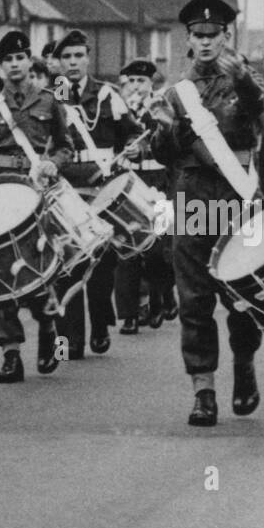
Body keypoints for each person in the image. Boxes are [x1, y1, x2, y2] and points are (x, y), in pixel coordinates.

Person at [148, 0, 264, 428]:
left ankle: (243, 365)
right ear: (188, 38)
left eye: (213, 35)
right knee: (194, 298)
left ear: (227, 36)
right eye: (198, 36)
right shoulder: (175, 90)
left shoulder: (245, 80)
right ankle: (203, 389)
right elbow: (162, 153)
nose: (205, 43)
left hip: (235, 195)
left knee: (242, 291)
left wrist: (241, 76)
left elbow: (261, 111)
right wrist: (169, 134)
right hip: (191, 195)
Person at [0, 29, 70, 384]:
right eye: (7, 60)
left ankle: (47, 328)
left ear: (29, 61)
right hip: (0, 191)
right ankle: (10, 353)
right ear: (1, 65)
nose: (14, 65)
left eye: (19, 58)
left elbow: (64, 146)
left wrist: (54, 162)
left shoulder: (50, 101)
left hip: (35, 190)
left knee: (39, 263)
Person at [51, 29, 127, 356]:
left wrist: (120, 164)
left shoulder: (108, 95)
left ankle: (99, 324)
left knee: (102, 263)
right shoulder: (51, 97)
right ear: (59, 61)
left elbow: (130, 134)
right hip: (66, 187)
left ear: (87, 57)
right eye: (66, 57)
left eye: (78, 56)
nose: (72, 63)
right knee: (67, 263)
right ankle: (72, 340)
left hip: (101, 187)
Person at [112, 59, 177, 333]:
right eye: (132, 81)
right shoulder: (118, 110)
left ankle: (160, 297)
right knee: (127, 246)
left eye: (142, 81)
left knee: (157, 251)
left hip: (160, 183)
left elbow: (173, 142)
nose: (136, 87)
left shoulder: (161, 107)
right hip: (131, 184)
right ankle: (129, 314)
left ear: (152, 83)